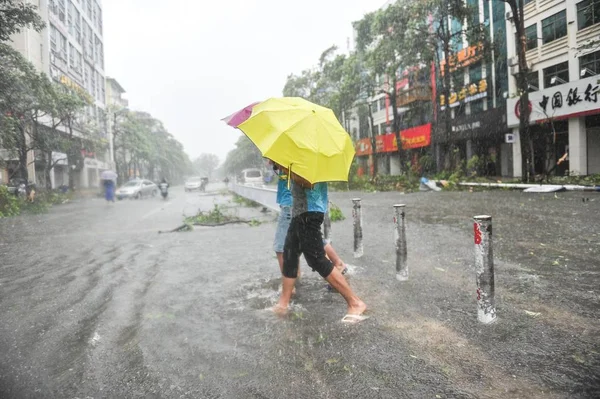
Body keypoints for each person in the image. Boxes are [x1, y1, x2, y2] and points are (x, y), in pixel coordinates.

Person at [272, 168, 367, 324]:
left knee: (316, 259)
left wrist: (290, 173)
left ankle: (355, 303)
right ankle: (283, 303)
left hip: (310, 212)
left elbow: (309, 182)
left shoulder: (310, 157)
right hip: (299, 212)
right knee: (289, 254)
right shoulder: (301, 156)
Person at [272, 164, 347, 278]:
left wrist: (282, 166)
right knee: (310, 241)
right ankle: (338, 263)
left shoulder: (292, 156)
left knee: (281, 247)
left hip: (291, 203)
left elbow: (306, 182)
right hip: (300, 203)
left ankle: (290, 285)